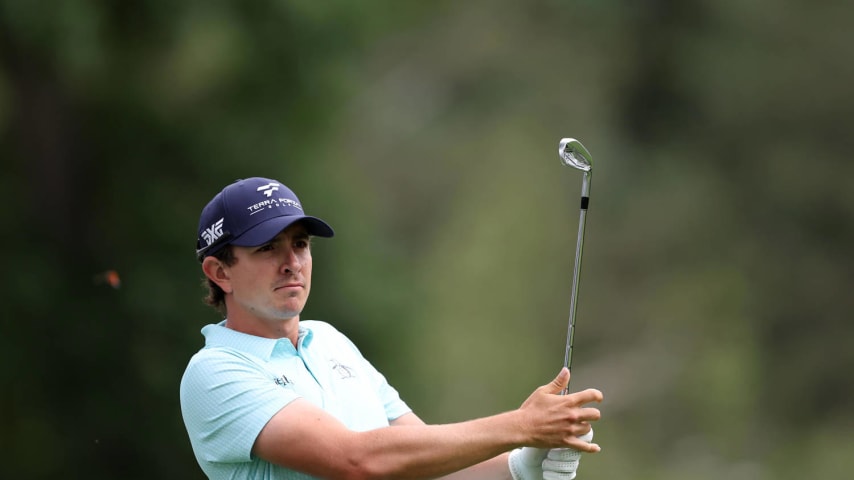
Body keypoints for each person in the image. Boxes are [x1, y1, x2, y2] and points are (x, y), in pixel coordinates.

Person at [180, 177, 604, 480]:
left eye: (301, 244)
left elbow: (422, 462)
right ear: (220, 272)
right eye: (267, 248)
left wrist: (521, 464)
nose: (291, 261)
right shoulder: (214, 371)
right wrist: (520, 425)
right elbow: (355, 461)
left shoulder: (329, 340)